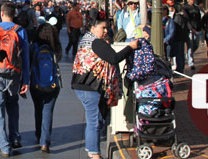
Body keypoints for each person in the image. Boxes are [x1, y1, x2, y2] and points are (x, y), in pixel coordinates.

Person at [71, 17, 139, 159]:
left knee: (96, 119)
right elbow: (114, 58)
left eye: (107, 28)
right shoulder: (96, 42)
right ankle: (94, 153)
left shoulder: (87, 39)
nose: (106, 31)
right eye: (103, 28)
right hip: (90, 86)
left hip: (85, 85)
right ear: (93, 28)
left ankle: (92, 149)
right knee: (94, 120)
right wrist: (130, 47)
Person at [0, 2, 31, 157]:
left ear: (1, 13)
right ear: (14, 14)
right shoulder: (21, 31)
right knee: (13, 104)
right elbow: (25, 57)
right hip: (14, 74)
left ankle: (4, 146)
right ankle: (15, 137)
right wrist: (26, 80)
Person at [29, 22, 62, 153]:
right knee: (48, 111)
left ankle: (38, 134)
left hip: (35, 83)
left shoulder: (34, 46)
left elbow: (29, 64)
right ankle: (45, 142)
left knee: (38, 109)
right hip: (53, 84)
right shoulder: (56, 47)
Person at [182, 0, 201, 70]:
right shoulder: (185, 8)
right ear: (188, 0)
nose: (193, 1)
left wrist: (200, 28)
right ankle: (191, 62)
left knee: (196, 44)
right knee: (190, 45)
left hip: (197, 29)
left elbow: (199, 18)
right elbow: (186, 19)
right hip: (189, 29)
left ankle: (189, 55)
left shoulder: (196, 8)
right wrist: (191, 28)